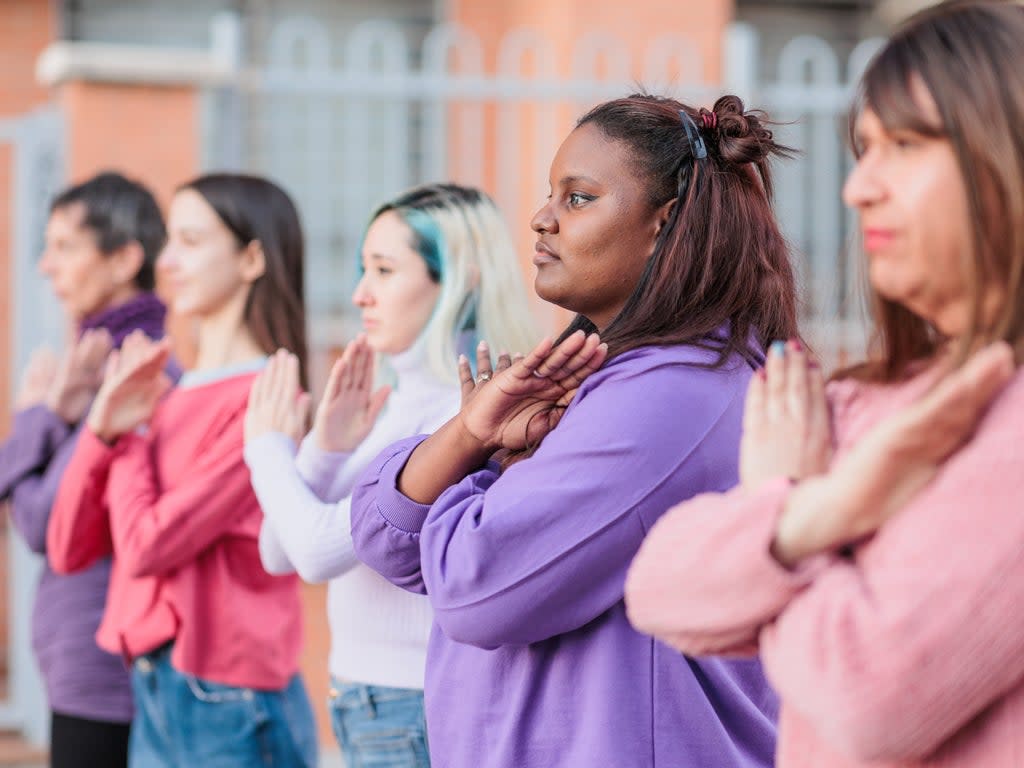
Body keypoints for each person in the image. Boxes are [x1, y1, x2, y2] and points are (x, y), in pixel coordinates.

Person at [624, 3, 1024, 767]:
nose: (858, 188)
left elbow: (865, 698)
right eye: (863, 149)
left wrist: (775, 513)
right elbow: (662, 592)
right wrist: (821, 506)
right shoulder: (857, 401)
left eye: (905, 146)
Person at [348, 92, 797, 767]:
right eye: (550, 195)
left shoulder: (670, 393)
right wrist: (471, 435)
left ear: (663, 224)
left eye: (578, 198)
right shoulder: (599, 376)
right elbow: (383, 540)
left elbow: (476, 589)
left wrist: (495, 472)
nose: (541, 219)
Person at [242, 183, 538, 766]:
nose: (360, 294)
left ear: (460, 278)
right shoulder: (397, 404)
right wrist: (324, 449)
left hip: (409, 707)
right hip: (366, 704)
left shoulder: (458, 413)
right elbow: (277, 551)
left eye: (383, 270)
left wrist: (266, 448)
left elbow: (315, 553)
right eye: (362, 269)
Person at [47, 173, 317, 767]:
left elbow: (146, 546)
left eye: (191, 242)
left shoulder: (267, 397)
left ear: (251, 259)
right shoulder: (166, 392)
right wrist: (101, 430)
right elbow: (66, 548)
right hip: (156, 687)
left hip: (226, 695)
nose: (167, 262)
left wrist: (132, 435)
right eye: (169, 241)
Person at [0, 172, 169, 768]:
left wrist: (32, 417)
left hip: (104, 666)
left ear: (125, 258)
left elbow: (40, 521)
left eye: (65, 247)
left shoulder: (137, 374)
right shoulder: (88, 367)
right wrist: (48, 419)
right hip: (81, 659)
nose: (47, 266)